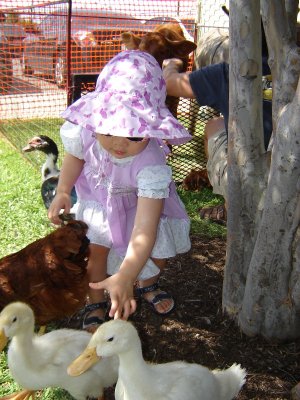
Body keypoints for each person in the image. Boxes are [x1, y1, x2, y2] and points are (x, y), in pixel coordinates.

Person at [48, 50, 192, 328]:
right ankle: (97, 299)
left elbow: (144, 231)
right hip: (100, 203)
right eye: (110, 129)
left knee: (156, 251)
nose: (119, 143)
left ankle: (145, 283)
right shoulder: (87, 132)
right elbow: (75, 157)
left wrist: (126, 274)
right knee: (95, 252)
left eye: (134, 133)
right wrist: (64, 189)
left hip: (141, 208)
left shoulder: (151, 164)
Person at [162, 59, 272, 224]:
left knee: (214, 125)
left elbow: (168, 84)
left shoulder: (228, 73)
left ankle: (230, 208)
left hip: (250, 181)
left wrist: (172, 64)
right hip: (289, 173)